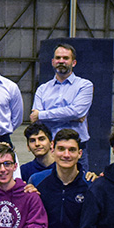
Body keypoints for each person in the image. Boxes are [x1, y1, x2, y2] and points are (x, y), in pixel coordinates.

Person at [30, 43, 92, 173]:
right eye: (58, 58)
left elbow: (77, 112)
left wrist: (42, 114)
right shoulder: (43, 89)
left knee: (80, 188)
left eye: (65, 58)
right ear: (53, 62)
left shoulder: (84, 85)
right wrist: (71, 116)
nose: (61, 61)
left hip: (77, 147)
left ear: (73, 62)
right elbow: (37, 121)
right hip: (50, 149)